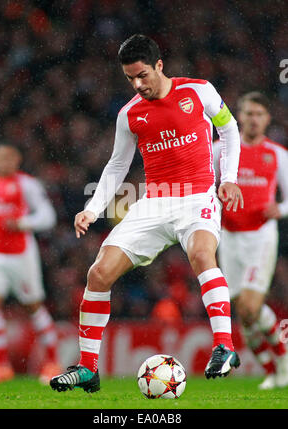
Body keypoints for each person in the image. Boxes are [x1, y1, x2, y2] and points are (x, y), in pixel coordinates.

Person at [50, 34, 244, 394]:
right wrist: (92, 209)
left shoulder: (199, 91)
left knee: (202, 254)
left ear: (159, 65)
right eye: (129, 79)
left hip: (197, 195)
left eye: (142, 76)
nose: (137, 85)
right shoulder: (130, 114)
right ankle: (88, 368)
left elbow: (229, 129)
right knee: (99, 273)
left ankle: (225, 347)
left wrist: (229, 179)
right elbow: (117, 165)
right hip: (153, 203)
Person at [214, 91, 288, 389]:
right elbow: (201, 183)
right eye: (248, 113)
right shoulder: (219, 149)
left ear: (267, 119)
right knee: (243, 314)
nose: (253, 119)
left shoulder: (278, 154)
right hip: (228, 238)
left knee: (249, 307)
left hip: (260, 236)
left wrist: (280, 209)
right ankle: (273, 370)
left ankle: (283, 363)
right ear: (238, 117)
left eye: (259, 114)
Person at [0, 144, 60, 385]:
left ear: (17, 159)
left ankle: (52, 362)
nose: (5, 162)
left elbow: (48, 216)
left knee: (33, 307)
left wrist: (23, 223)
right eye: (0, 158)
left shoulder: (27, 184)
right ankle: (0, 365)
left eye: (9, 157)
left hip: (22, 254)